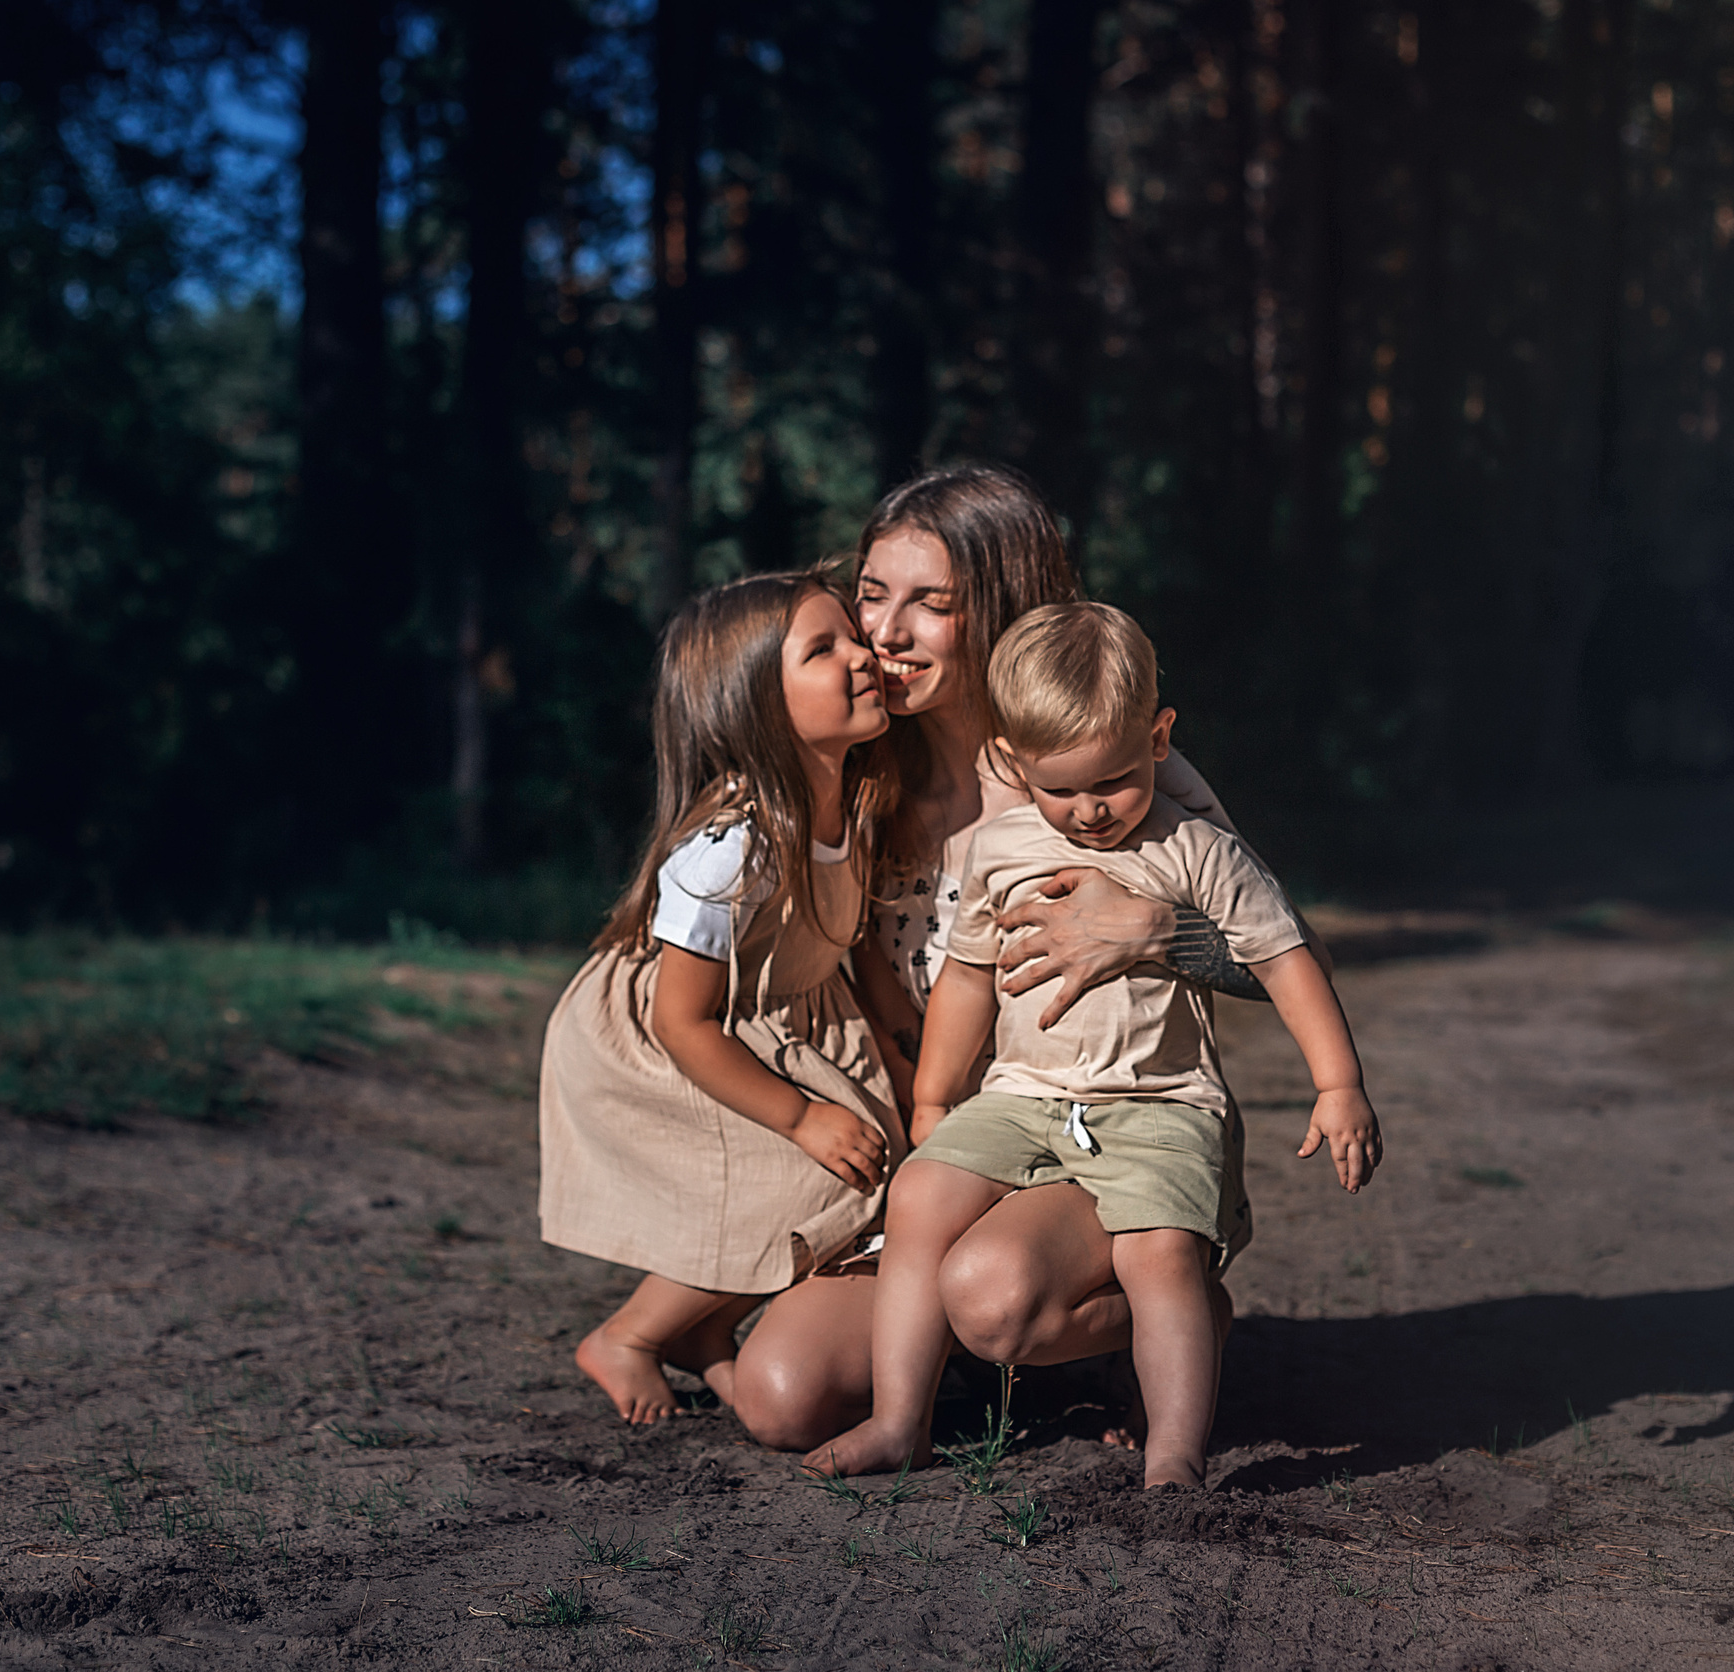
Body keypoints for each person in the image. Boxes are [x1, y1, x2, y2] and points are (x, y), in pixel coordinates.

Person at [723, 463, 1327, 1456]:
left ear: (999, 610)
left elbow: (1288, 954)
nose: (885, 630)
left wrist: (1161, 934)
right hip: (951, 1153)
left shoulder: (1114, 770)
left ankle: (1160, 1303)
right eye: (872, 595)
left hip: (1105, 1132)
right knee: (778, 1396)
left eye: (930, 604)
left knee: (994, 1298)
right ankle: (968, 1365)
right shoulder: (862, 763)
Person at [806, 603, 1382, 1486]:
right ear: (1010, 761)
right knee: (919, 1191)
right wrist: (933, 1094)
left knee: (1157, 1252)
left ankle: (1175, 1457)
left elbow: (1289, 960)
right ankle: (898, 1423)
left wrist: (1337, 1083)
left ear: (1159, 739)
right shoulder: (999, 848)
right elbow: (966, 977)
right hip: (1023, 1097)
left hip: (1159, 1104)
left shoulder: (1197, 849)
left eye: (1111, 780)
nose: (1088, 811)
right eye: (1059, 788)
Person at [538, 570, 903, 1428]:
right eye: (826, 649)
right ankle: (629, 1336)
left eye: (854, 635)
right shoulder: (731, 852)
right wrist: (800, 1115)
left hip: (771, 1015)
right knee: (782, 1184)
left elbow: (843, 947)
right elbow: (681, 1018)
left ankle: (708, 1336)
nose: (863, 655)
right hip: (676, 1034)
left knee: (837, 1172)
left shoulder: (852, 799)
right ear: (757, 707)